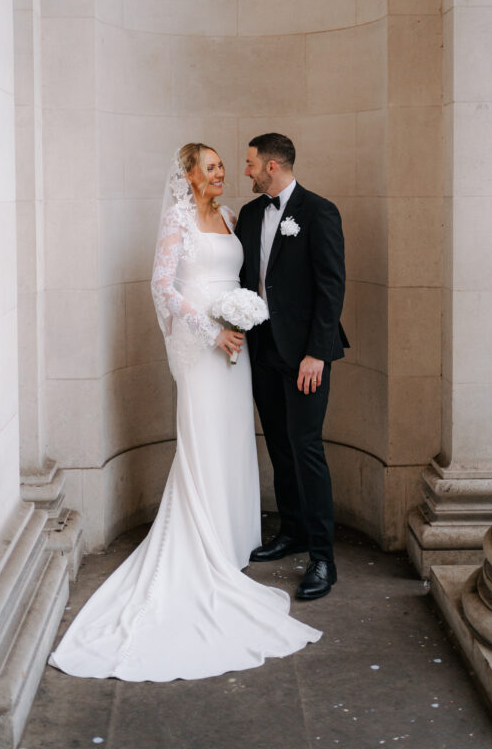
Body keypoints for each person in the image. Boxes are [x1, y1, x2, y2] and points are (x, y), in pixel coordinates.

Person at [48, 143, 320, 682]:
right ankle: (203, 543)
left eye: (226, 166)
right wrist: (211, 329)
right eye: (214, 167)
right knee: (201, 435)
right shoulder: (178, 217)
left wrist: (242, 317)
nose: (223, 174)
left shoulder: (230, 216)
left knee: (233, 436)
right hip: (202, 345)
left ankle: (233, 539)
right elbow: (163, 286)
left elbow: (247, 279)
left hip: (235, 345)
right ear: (190, 174)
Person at [235, 133, 348, 601]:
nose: (246, 171)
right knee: (280, 447)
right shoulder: (249, 214)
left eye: (250, 163)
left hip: (305, 357)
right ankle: (293, 531)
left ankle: (323, 556)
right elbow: (243, 279)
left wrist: (317, 353)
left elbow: (331, 288)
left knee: (306, 450)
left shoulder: (319, 212)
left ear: (273, 166)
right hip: (261, 352)